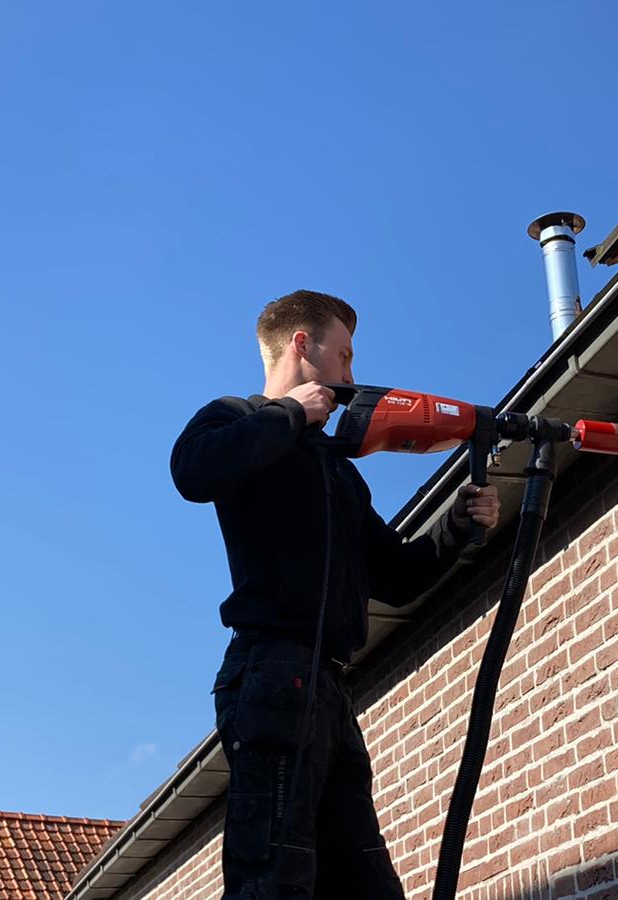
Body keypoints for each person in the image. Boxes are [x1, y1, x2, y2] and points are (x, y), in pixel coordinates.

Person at [170, 290, 500, 899]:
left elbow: (395, 575)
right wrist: (289, 414)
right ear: (302, 344)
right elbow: (192, 471)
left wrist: (457, 526)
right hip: (270, 673)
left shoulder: (336, 470)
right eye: (344, 355)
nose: (351, 375)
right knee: (274, 877)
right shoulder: (235, 416)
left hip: (329, 688)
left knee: (365, 883)